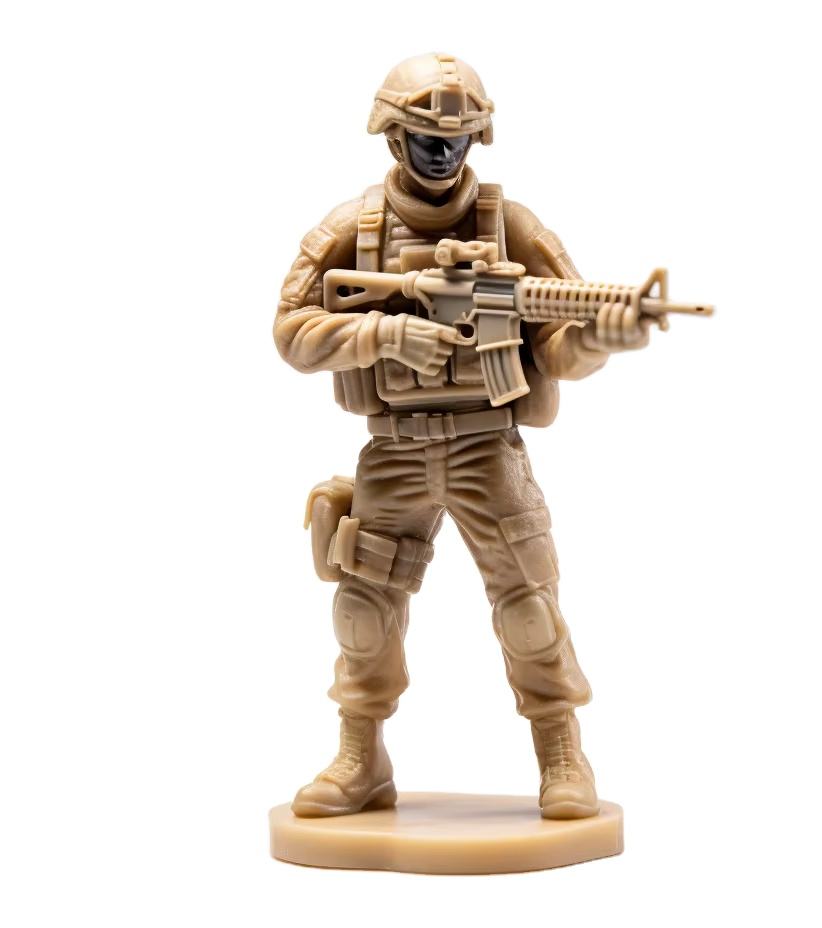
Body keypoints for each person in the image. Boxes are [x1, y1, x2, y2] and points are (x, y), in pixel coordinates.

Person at [274, 53, 654, 820]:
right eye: (427, 138)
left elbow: (557, 343)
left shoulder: (513, 229)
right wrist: (386, 334)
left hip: (488, 447)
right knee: (364, 605)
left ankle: (561, 753)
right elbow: (292, 332)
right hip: (395, 448)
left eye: (458, 138)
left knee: (528, 605)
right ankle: (360, 755)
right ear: (393, 137)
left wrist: (600, 337)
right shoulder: (349, 231)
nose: (444, 153)